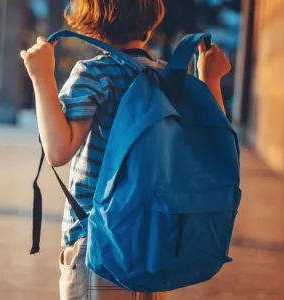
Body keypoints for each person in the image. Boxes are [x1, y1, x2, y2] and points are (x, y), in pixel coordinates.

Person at [20, 0, 231, 299]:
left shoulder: (94, 74)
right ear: (151, 20)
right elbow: (208, 147)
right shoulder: (167, 79)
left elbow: (58, 151)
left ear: (89, 20)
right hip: (155, 240)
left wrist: (41, 77)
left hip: (99, 243)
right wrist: (210, 79)